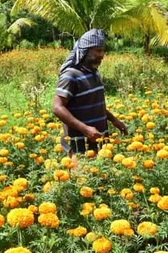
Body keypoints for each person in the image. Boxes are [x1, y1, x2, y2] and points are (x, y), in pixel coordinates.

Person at [52, 29, 127, 157]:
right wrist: (85, 129)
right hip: (79, 144)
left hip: (99, 140)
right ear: (85, 51)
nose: (102, 54)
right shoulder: (70, 75)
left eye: (103, 50)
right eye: (98, 50)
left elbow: (94, 104)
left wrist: (114, 120)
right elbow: (57, 108)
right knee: (81, 176)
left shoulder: (94, 73)